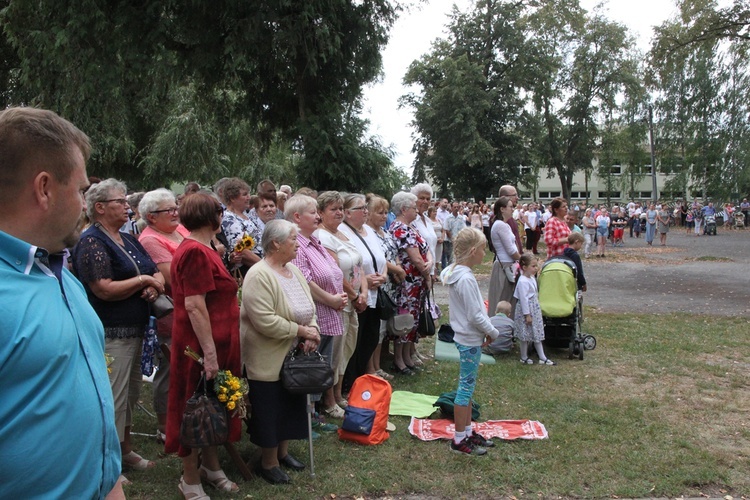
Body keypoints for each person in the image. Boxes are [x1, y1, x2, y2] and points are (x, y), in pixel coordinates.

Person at [0, 107, 123, 499]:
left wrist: (111, 484)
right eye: (83, 190)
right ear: (45, 188)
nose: (87, 204)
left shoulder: (59, 273)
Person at [73, 178, 166, 481]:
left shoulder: (128, 237)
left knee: (130, 395)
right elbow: (103, 288)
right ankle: (107, 462)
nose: (127, 207)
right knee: (112, 400)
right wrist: (143, 282)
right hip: (111, 332)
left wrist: (153, 286)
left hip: (137, 328)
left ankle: (125, 449)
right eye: (120, 202)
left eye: (127, 202)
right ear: (100, 207)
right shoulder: (91, 241)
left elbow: (154, 271)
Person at [165, 193, 242, 497]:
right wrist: (208, 354)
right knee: (194, 408)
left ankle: (211, 466)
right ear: (214, 217)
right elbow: (195, 306)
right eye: (220, 211)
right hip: (199, 347)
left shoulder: (206, 248)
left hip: (218, 343)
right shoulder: (195, 252)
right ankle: (189, 478)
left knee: (213, 405)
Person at [241, 219, 321, 485]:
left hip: (294, 354)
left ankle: (283, 453)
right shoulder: (259, 274)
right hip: (267, 356)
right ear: (276, 243)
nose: (298, 245)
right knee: (270, 409)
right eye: (293, 240)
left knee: (290, 404)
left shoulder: (293, 271)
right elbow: (264, 320)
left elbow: (309, 308)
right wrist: (301, 332)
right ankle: (268, 462)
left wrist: (313, 331)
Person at [285, 194, 347, 429]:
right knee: (309, 367)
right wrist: (331, 299)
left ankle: (314, 413)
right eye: (313, 212)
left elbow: (332, 271)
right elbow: (304, 281)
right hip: (316, 315)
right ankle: (307, 418)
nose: (318, 216)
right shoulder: (297, 245)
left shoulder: (314, 241)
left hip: (329, 312)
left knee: (321, 365)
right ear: (297, 217)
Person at [439, 228, 499, 456]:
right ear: (473, 251)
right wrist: (493, 332)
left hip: (467, 336)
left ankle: (467, 431)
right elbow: (475, 315)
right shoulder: (465, 278)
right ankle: (458, 439)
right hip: (468, 338)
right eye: (483, 249)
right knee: (465, 390)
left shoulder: (458, 273)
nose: (485, 253)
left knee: (468, 386)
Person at [138, 188, 190, 443]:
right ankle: (163, 425)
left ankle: (183, 416)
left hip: (190, 308)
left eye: (175, 207)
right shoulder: (150, 239)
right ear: (151, 217)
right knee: (169, 368)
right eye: (167, 210)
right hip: (171, 312)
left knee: (186, 366)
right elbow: (173, 278)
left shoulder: (179, 230)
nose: (174, 212)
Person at [316, 191, 367, 415]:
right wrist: (355, 296)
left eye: (340, 208)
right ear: (320, 213)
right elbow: (336, 273)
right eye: (332, 209)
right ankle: (329, 400)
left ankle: (338, 394)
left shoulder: (343, 234)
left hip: (354, 298)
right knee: (334, 352)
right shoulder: (323, 236)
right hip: (340, 301)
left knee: (347, 348)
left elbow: (359, 266)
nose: (338, 212)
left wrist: (364, 292)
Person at [340, 193, 388, 389]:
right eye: (362, 208)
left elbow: (382, 256)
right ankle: (350, 382)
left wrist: (383, 275)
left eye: (366, 208)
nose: (366, 212)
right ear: (348, 213)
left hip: (376, 292)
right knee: (356, 341)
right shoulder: (343, 232)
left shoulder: (367, 229)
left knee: (371, 335)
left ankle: (361, 377)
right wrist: (365, 280)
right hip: (360, 292)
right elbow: (351, 264)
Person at [389, 191, 432, 375]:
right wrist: (427, 271)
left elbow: (426, 249)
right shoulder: (400, 228)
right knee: (404, 319)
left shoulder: (412, 227)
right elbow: (415, 258)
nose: (417, 211)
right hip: (407, 283)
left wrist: (428, 264)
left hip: (417, 281)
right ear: (404, 209)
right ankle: (399, 359)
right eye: (414, 208)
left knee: (413, 319)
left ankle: (408, 356)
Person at [365, 194, 405, 380]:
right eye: (379, 212)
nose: (383, 216)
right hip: (379, 284)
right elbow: (380, 259)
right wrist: (397, 270)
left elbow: (394, 253)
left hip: (391, 284)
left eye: (385, 212)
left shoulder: (385, 232)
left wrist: (397, 270)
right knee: (376, 329)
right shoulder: (368, 233)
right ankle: (371, 367)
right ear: (369, 213)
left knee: (382, 329)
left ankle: (377, 364)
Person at [514, 253, 555, 365]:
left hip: (534, 308)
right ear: (524, 267)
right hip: (527, 310)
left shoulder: (531, 278)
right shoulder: (523, 281)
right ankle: (524, 356)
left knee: (536, 332)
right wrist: (527, 314)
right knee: (525, 334)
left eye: (536, 266)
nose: (536, 268)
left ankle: (542, 356)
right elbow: (523, 299)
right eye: (533, 266)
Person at [488, 196, 521, 316]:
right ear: (502, 209)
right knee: (502, 299)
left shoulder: (503, 225)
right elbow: (511, 250)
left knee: (508, 299)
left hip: (509, 264)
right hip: (505, 266)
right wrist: (523, 260)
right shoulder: (500, 225)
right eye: (511, 207)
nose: (513, 209)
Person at [221, 177, 261, 275]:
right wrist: (267, 267)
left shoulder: (246, 216)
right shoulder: (228, 219)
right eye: (244, 194)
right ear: (232, 198)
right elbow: (241, 251)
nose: (249, 197)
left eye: (248, 194)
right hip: (248, 270)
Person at [428, 205, 445, 273]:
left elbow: (443, 230)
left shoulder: (439, 220)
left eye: (435, 212)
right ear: (430, 213)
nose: (435, 213)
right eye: (433, 212)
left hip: (439, 241)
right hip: (432, 242)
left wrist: (442, 238)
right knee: (432, 256)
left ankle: (436, 272)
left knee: (438, 257)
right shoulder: (428, 221)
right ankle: (431, 271)